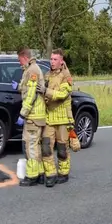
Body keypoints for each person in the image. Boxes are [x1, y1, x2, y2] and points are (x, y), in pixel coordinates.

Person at [11, 47, 47, 186]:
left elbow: (31, 95)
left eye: (19, 59)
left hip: (33, 115)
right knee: (35, 146)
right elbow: (28, 87)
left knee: (30, 146)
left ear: (25, 57)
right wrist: (18, 87)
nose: (19, 62)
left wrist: (22, 114)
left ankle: (32, 176)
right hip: (36, 115)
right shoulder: (31, 69)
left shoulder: (32, 70)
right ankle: (40, 174)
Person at [42, 49, 73, 186]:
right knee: (46, 147)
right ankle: (50, 175)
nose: (52, 62)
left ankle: (63, 173)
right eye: (51, 59)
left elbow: (62, 95)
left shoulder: (66, 76)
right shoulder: (47, 75)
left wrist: (45, 91)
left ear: (61, 61)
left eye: (55, 59)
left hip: (62, 119)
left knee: (62, 148)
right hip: (49, 118)